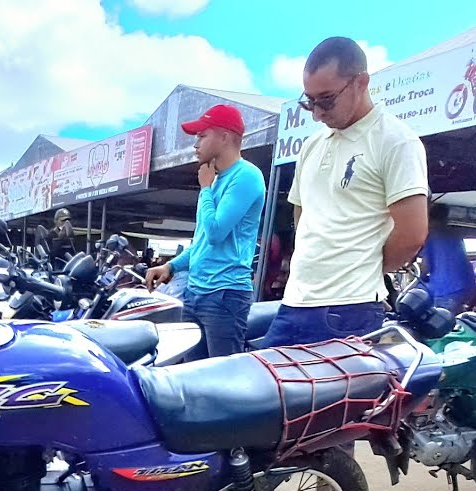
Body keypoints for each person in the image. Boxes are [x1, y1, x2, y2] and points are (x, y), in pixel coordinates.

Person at [261, 36, 429, 348]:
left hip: (350, 307)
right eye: (309, 101)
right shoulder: (312, 145)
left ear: (360, 83)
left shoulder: (395, 141)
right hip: (295, 300)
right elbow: (303, 213)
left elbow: (413, 234)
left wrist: (360, 265)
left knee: (326, 399)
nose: (317, 113)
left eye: (325, 100)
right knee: (259, 392)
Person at [144, 103, 266, 359]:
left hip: (224, 295)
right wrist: (170, 267)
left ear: (224, 137)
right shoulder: (215, 179)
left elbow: (215, 232)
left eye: (202, 135)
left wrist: (206, 189)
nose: (195, 144)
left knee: (221, 381)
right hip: (197, 292)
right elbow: (202, 243)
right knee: (191, 375)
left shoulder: (245, 176)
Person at [421, 203, 474, 313]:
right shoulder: (456, 235)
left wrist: (420, 278)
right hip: (461, 289)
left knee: (440, 325)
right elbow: (465, 263)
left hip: (442, 290)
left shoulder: (430, 237)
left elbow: (427, 267)